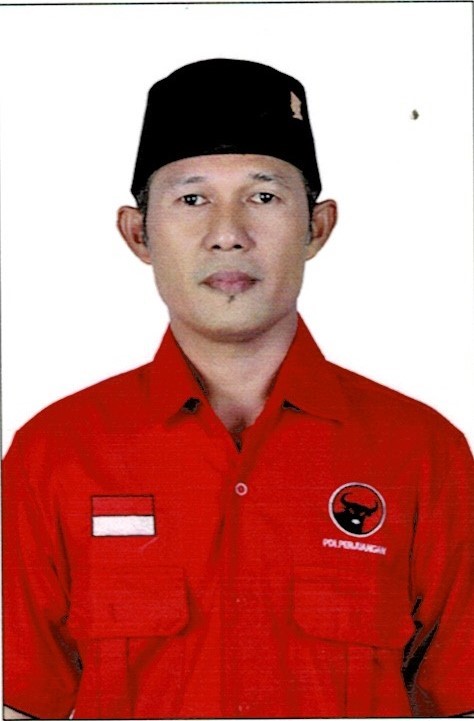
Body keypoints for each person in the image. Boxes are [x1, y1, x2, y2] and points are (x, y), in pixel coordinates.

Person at [3, 58, 473, 720]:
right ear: (138, 233)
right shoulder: (55, 455)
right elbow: (20, 703)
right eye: (192, 199)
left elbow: (458, 703)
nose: (228, 234)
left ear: (317, 227)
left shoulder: (422, 454)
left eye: (264, 197)